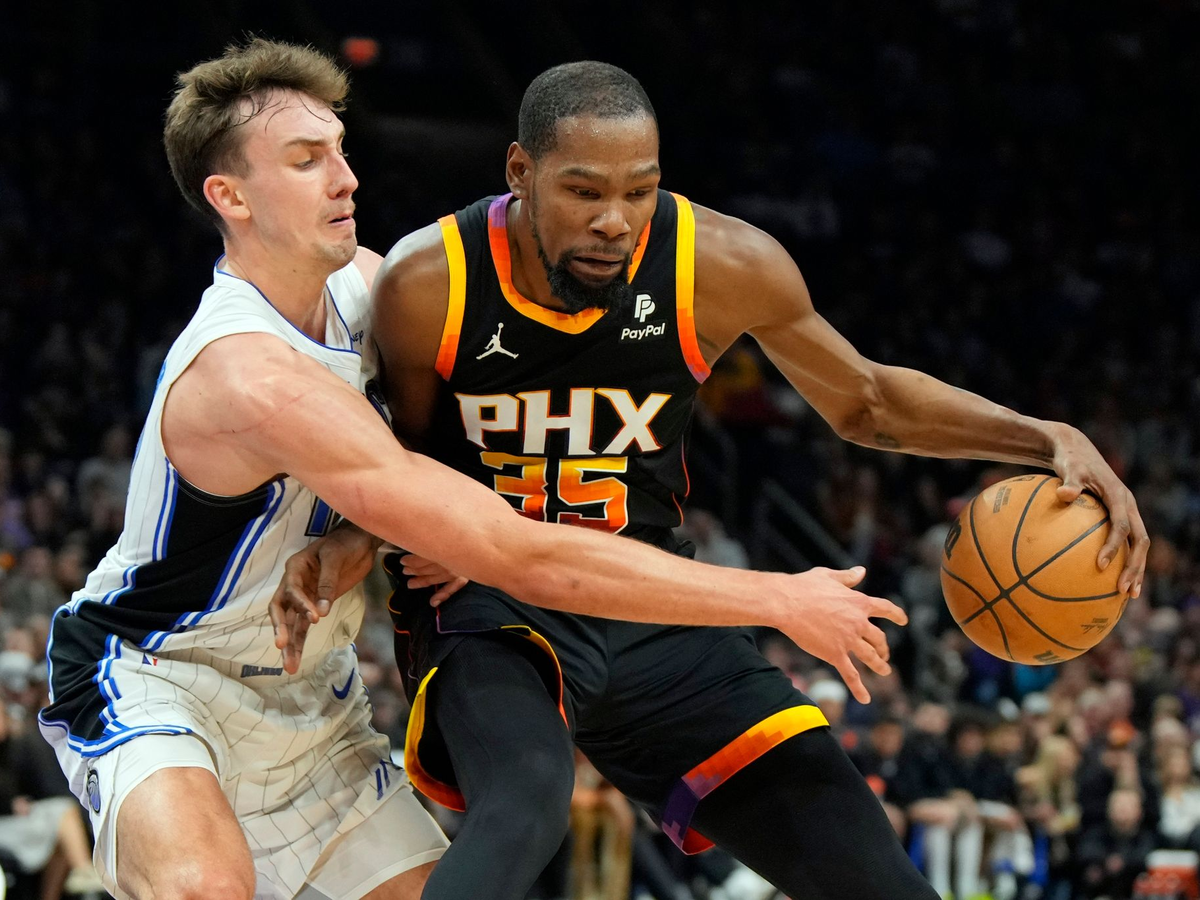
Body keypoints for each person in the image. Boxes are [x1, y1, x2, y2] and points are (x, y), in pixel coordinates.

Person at [36, 42, 901, 900]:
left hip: (311, 701)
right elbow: (510, 548)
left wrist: (367, 534)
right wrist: (777, 599)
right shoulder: (247, 372)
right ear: (230, 196)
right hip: (165, 672)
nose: (346, 180)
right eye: (307, 161)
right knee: (204, 888)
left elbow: (441, 465)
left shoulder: (373, 290)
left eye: (341, 150)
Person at [277, 61, 1148, 899]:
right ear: (521, 173)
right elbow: (400, 458)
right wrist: (403, 531)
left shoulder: (720, 265)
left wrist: (1047, 438)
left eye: (639, 191)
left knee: (871, 869)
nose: (614, 220)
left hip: (656, 601)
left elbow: (867, 401)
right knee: (527, 803)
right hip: (490, 605)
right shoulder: (432, 281)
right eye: (584, 191)